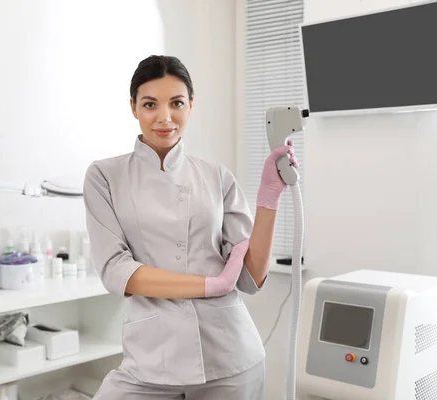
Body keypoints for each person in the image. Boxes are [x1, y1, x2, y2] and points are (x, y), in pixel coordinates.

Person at [83, 55, 298, 399]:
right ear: (133, 107)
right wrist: (210, 285)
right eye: (150, 104)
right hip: (152, 359)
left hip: (229, 356)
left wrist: (268, 198)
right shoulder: (105, 176)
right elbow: (116, 270)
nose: (165, 117)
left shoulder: (216, 176)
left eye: (177, 103)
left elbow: (251, 277)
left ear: (191, 105)